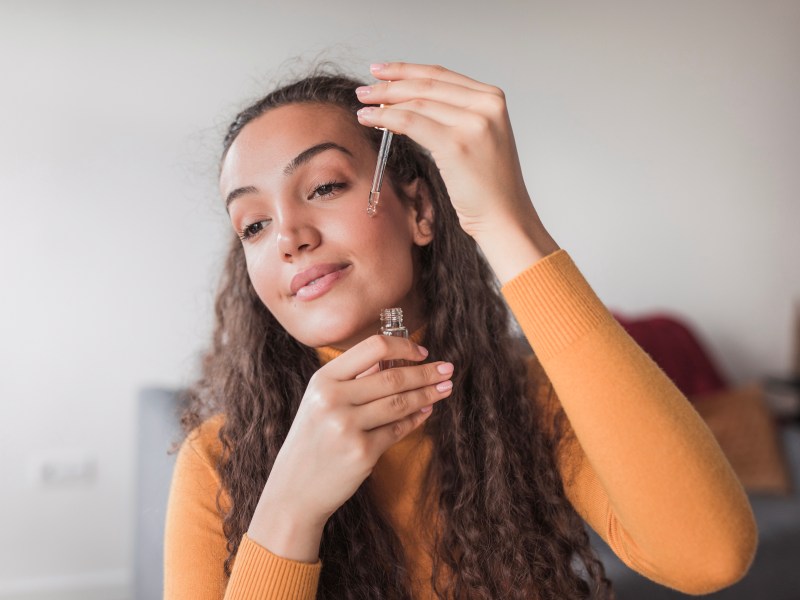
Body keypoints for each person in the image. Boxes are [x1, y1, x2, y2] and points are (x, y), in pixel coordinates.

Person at [164, 62, 757, 599]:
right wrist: (291, 507)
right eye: (254, 225)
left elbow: (710, 556)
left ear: (420, 211)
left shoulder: (528, 401)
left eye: (324, 187)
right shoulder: (217, 460)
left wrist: (506, 220)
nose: (290, 236)